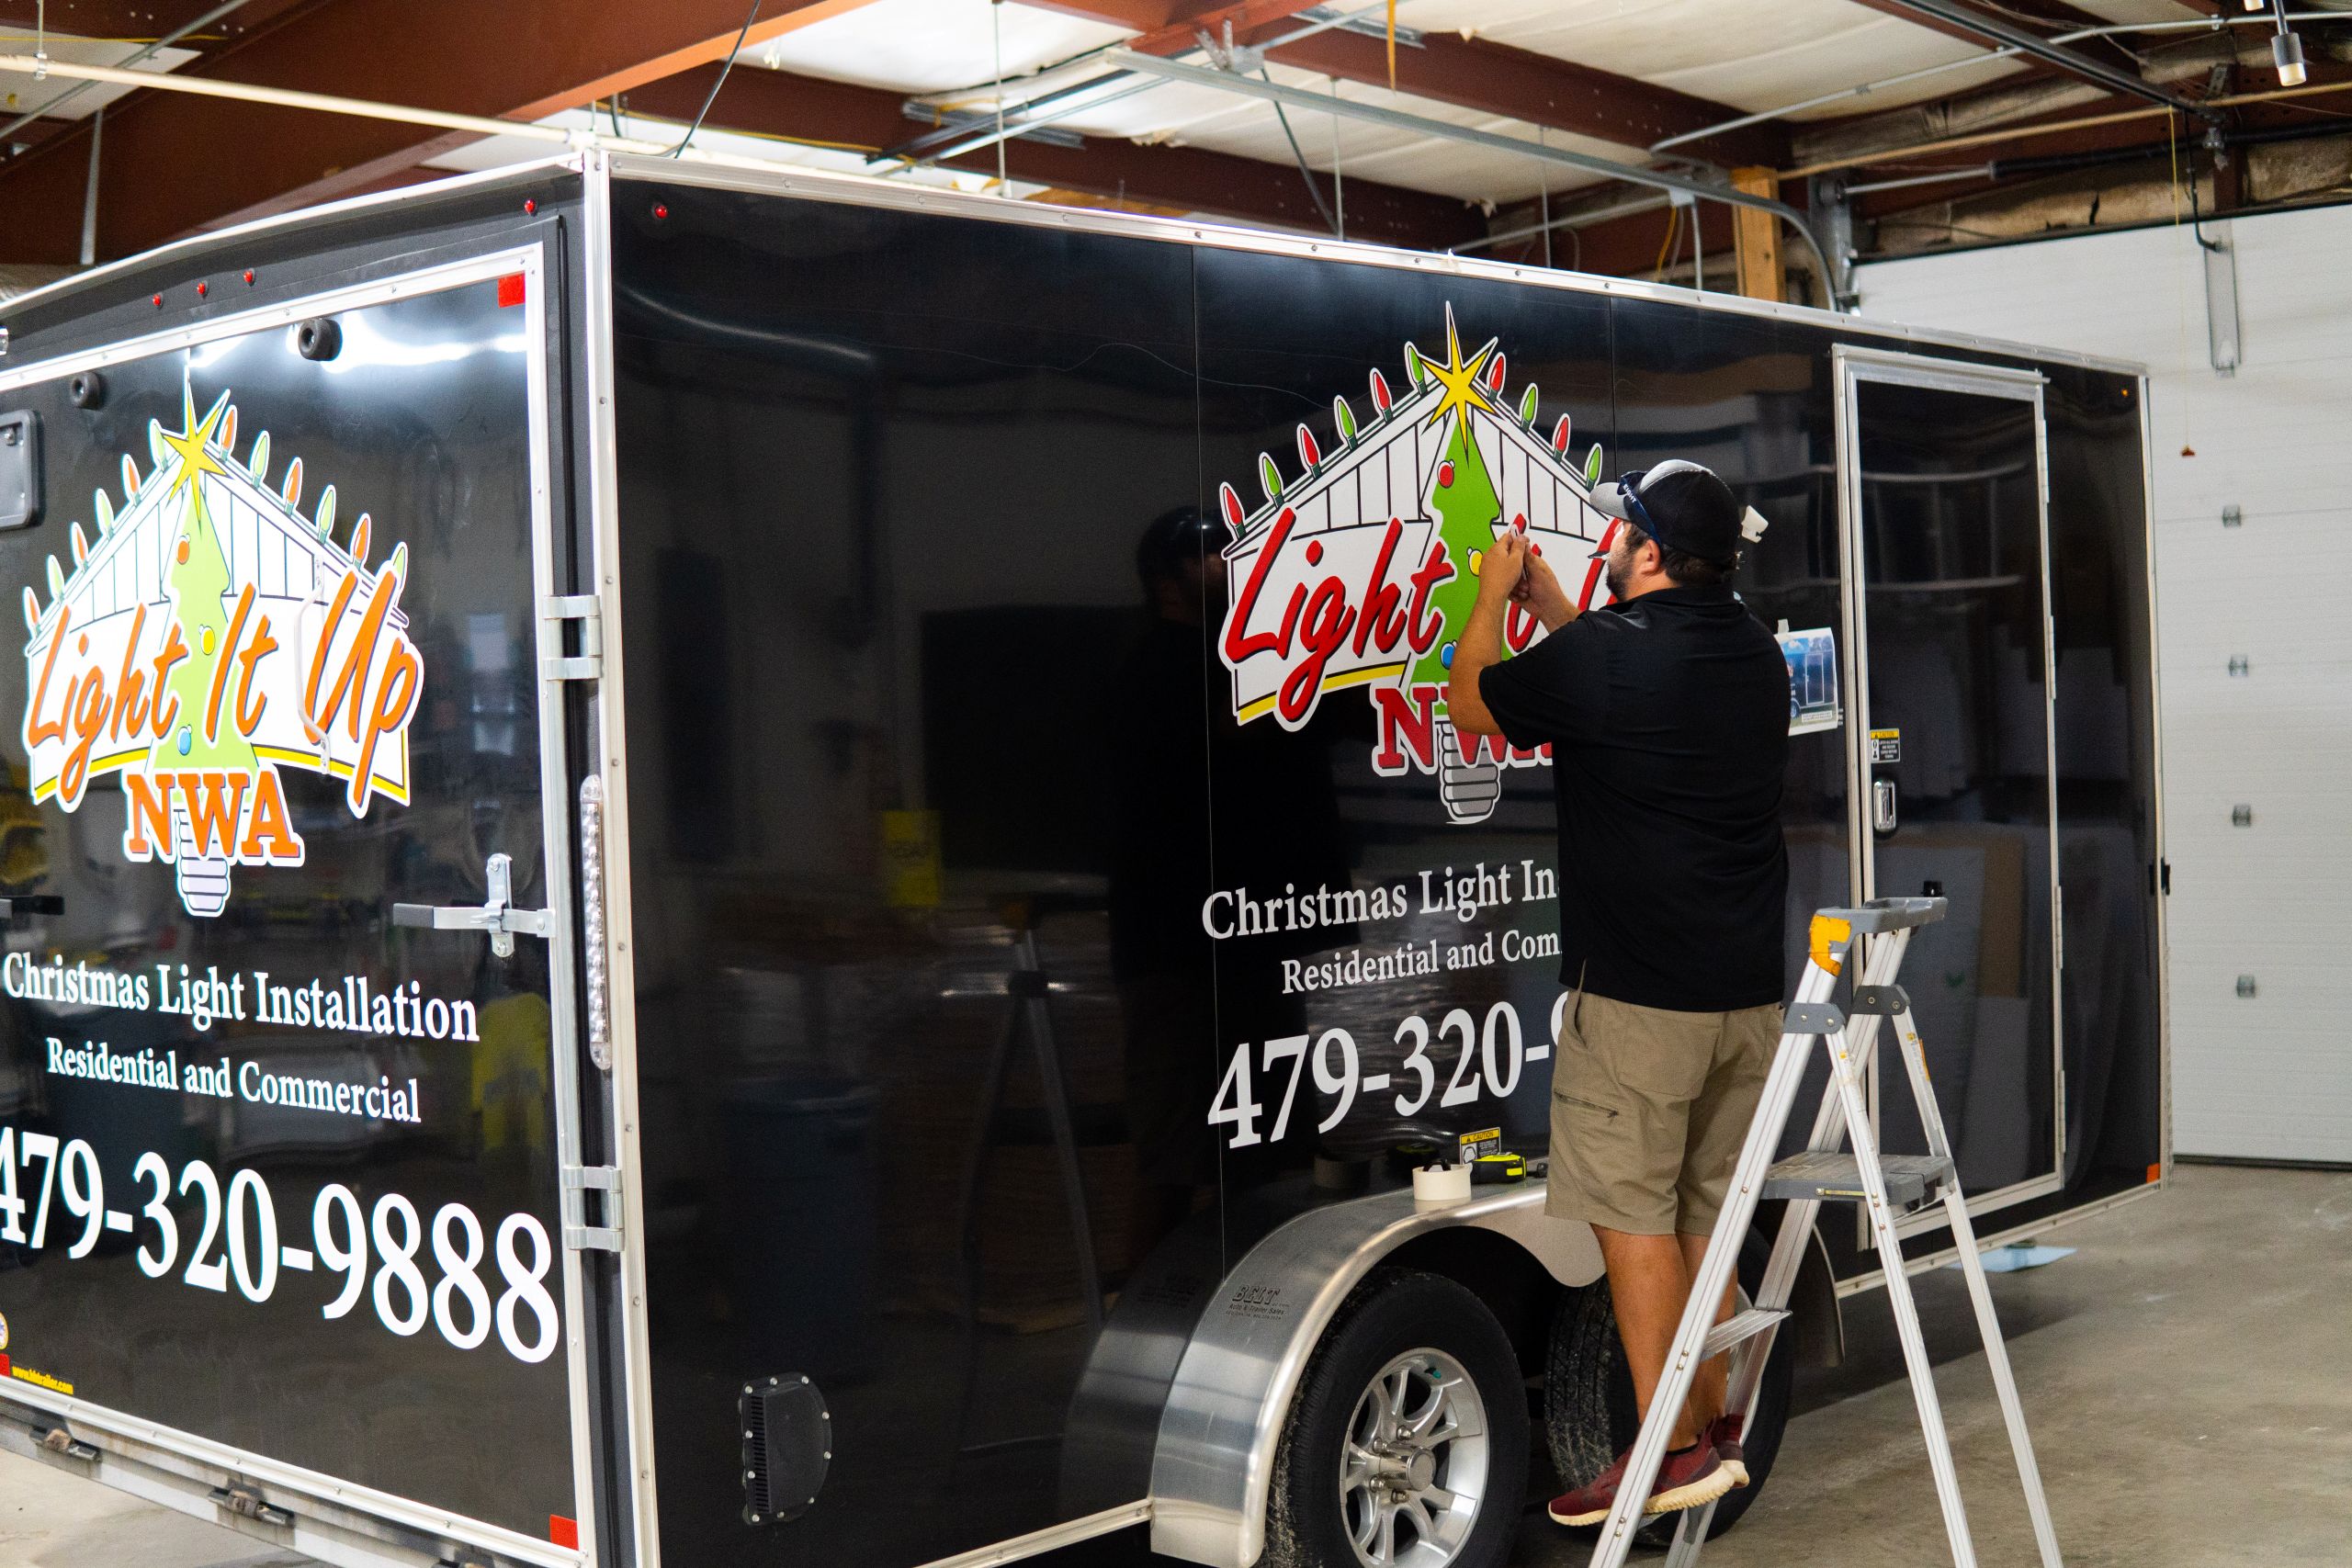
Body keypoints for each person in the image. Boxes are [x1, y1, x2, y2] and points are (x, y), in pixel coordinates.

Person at [1444, 460, 1789, 1526]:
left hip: (1637, 1006)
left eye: (1619, 534)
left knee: (1631, 1219)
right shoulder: (1756, 654)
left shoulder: (1603, 660)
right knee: (1704, 1216)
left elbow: (1473, 704)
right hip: (1744, 1002)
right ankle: (1713, 1427)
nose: (1604, 549)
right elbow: (1613, 667)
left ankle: (1668, 1445)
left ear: (1644, 552)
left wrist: (1493, 594)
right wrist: (1560, 605)